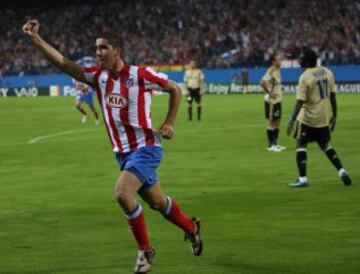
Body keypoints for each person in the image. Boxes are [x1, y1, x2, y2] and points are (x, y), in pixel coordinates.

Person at [22, 19, 202, 274]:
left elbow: (174, 89)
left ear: (117, 51)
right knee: (158, 203)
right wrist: (35, 38)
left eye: (103, 48)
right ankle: (192, 229)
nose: (98, 53)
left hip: (147, 147)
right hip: (123, 154)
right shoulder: (98, 77)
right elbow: (62, 62)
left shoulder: (140, 75)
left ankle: (146, 251)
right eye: (96, 49)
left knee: (122, 193)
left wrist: (170, 123)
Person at [287, 48, 352, 187]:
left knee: (301, 144)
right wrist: (335, 115)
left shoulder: (305, 77)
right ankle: (341, 171)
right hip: (323, 118)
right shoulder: (327, 72)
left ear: (307, 61)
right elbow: (333, 96)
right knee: (326, 146)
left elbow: (300, 101)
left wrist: (292, 120)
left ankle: (303, 179)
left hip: (308, 118)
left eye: (301, 58)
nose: (299, 60)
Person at [260, 54, 285, 152]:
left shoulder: (277, 70)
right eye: (279, 59)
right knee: (272, 122)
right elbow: (262, 82)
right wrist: (269, 93)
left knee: (277, 121)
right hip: (272, 101)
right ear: (273, 61)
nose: (280, 61)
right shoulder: (271, 70)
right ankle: (270, 146)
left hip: (278, 100)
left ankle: (275, 143)